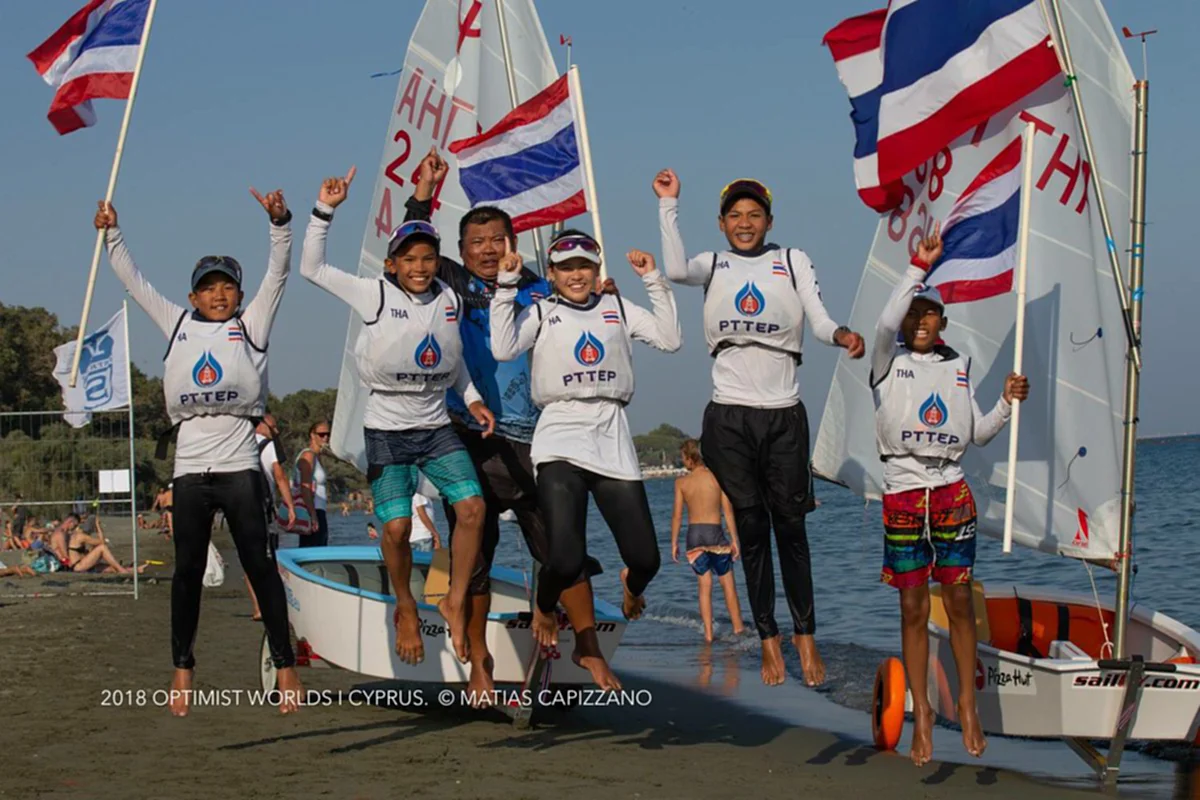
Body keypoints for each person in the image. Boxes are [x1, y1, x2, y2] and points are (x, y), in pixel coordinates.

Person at [405, 149, 612, 696]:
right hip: (469, 438)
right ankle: (480, 664)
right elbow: (409, 249)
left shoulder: (541, 288)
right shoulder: (448, 282)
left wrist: (603, 295)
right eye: (477, 241)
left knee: (562, 546)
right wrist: (423, 191)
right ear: (462, 250)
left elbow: (588, 314)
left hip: (534, 439)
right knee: (476, 555)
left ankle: (586, 644)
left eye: (498, 239)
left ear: (513, 243)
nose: (489, 249)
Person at [95, 187, 302, 717]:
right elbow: (134, 282)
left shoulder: (250, 325)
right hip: (190, 469)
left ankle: (285, 665)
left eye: (226, 286)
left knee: (259, 565)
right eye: (207, 288)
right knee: (186, 571)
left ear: (237, 293)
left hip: (239, 468)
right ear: (192, 297)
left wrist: (280, 223)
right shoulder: (177, 324)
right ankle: (183, 667)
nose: (218, 295)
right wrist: (111, 232)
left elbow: (278, 273)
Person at [656, 169, 866, 687]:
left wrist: (839, 333)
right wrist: (668, 205)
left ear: (769, 221)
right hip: (728, 416)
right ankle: (769, 642)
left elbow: (817, 320)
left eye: (754, 215)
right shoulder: (714, 263)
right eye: (735, 215)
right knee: (749, 530)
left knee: (791, 531)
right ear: (722, 222)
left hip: (783, 413)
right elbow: (676, 268)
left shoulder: (792, 261)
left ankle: (805, 637)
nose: (744, 223)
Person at [300, 166, 492, 666]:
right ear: (392, 264)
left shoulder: (448, 299)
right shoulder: (375, 294)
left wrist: (471, 399)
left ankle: (453, 598)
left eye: (429, 257)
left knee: (472, 508)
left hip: (436, 428)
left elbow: (457, 364)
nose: (421, 266)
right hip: (387, 432)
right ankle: (405, 603)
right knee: (396, 530)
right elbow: (313, 269)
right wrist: (325, 210)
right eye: (410, 259)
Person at [491, 230, 679, 684]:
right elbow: (502, 347)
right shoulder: (541, 310)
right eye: (566, 268)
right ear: (552, 275)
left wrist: (653, 278)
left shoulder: (616, 306)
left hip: (611, 434)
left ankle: (631, 591)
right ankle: (544, 605)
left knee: (647, 559)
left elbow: (671, 339)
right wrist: (505, 286)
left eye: (585, 266)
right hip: (560, 432)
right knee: (565, 557)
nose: (577, 275)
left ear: (597, 270)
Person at [873, 225, 1028, 765]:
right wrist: (918, 268)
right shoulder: (885, 360)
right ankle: (923, 715)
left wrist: (1006, 403)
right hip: (903, 491)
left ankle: (966, 703)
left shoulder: (958, 366)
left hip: (951, 490)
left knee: (960, 600)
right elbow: (888, 318)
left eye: (929, 313)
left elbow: (976, 432)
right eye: (913, 314)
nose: (918, 321)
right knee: (913, 608)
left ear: (943, 321)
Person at [670, 439, 744, 643]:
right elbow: (727, 512)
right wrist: (735, 540)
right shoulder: (717, 478)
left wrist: (674, 542)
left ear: (689, 458)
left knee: (704, 587)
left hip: (694, 536)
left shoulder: (681, 483)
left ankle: (709, 635)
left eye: (683, 457)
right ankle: (739, 630)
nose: (683, 461)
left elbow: (677, 516)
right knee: (728, 584)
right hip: (715, 534)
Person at [247, 413, 296, 619]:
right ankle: (271, 604)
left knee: (248, 556)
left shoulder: (240, 442)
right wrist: (290, 505)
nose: (276, 431)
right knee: (269, 555)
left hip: (241, 505)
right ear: (261, 425)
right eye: (273, 427)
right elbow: (279, 475)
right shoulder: (268, 445)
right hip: (262, 507)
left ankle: (258, 607)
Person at [295, 421, 331, 547]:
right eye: (321, 434)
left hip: (319, 510)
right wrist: (313, 515)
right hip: (312, 511)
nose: (325, 437)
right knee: (313, 550)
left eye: (328, 434)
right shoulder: (308, 455)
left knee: (319, 549)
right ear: (312, 435)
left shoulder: (316, 456)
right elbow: (305, 487)